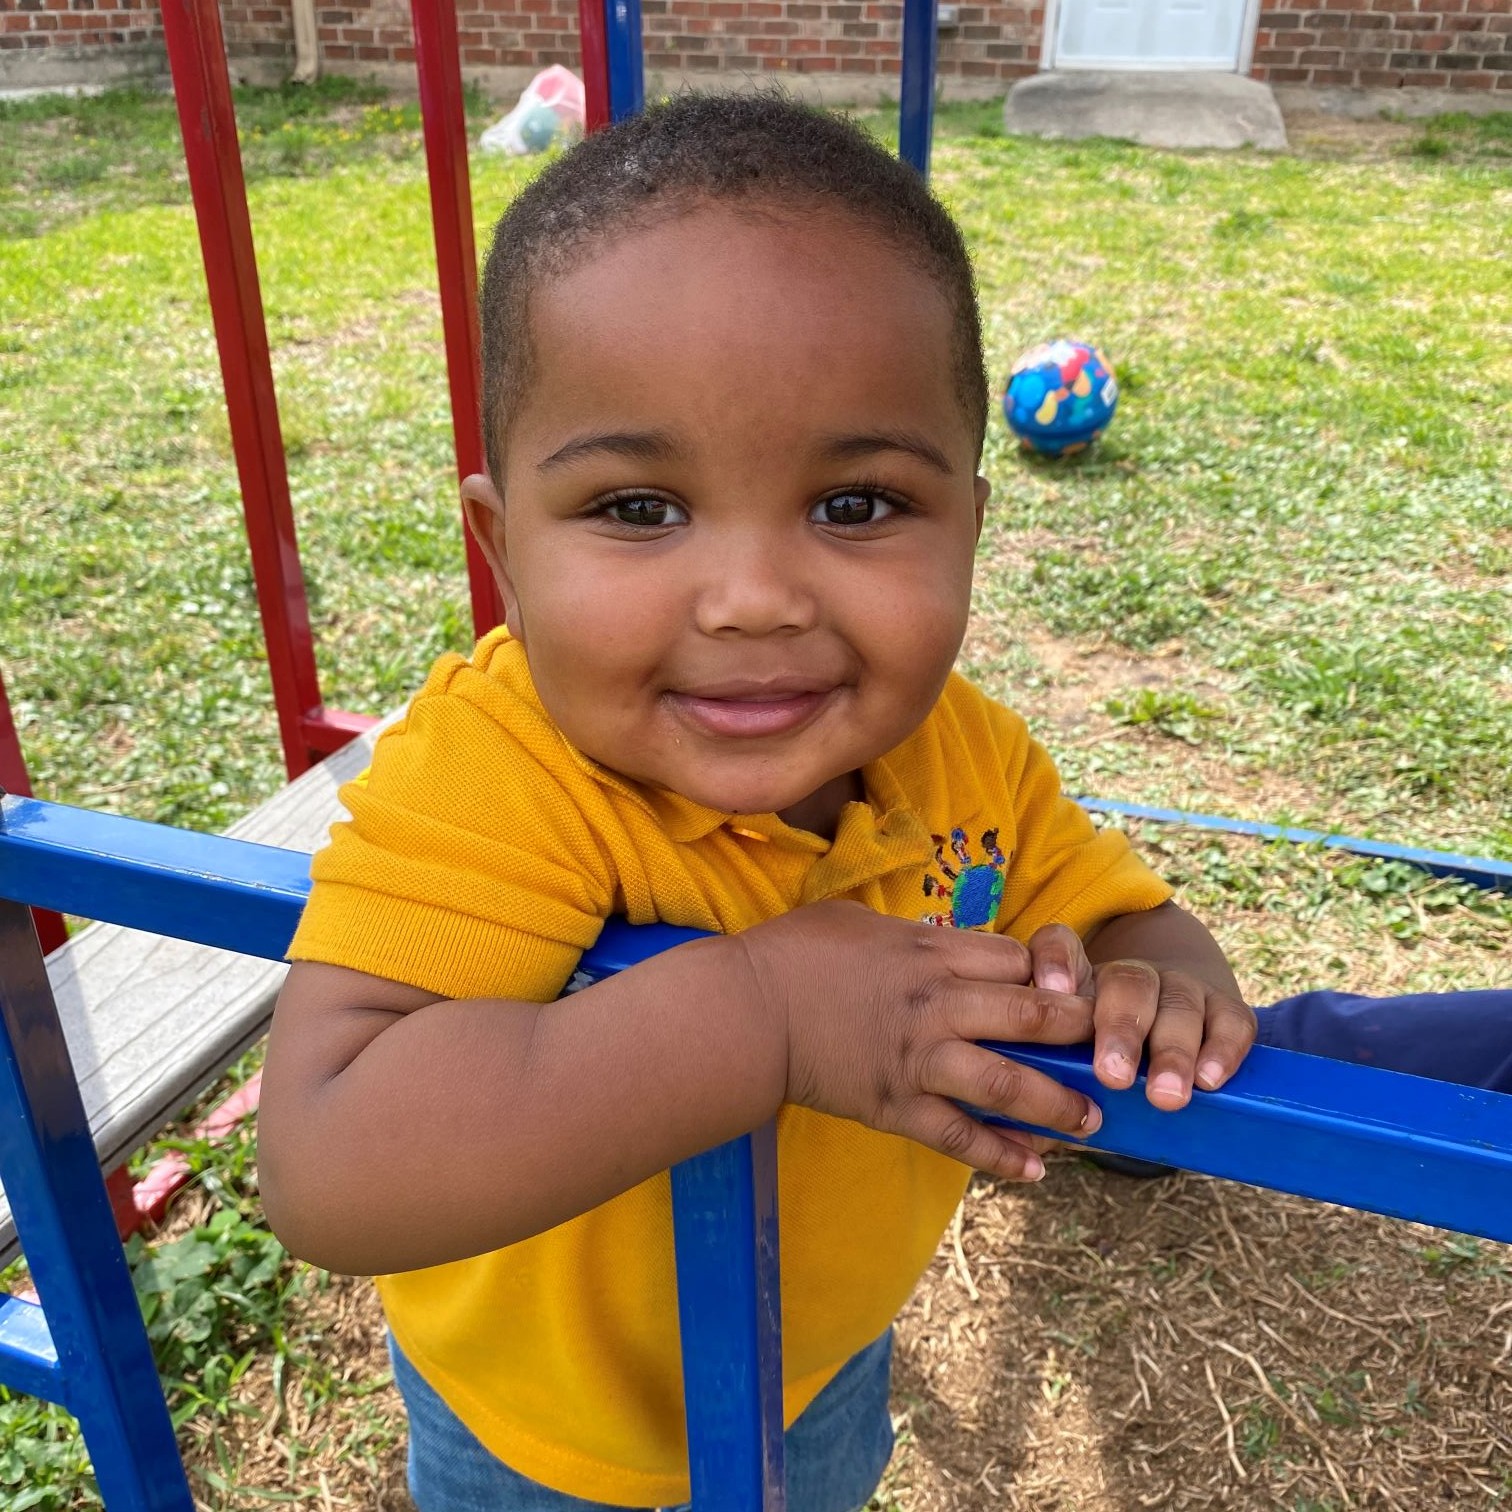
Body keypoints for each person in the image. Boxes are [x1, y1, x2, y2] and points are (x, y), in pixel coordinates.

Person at [256, 93, 1501, 1512]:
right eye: (637, 509)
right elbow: (326, 1160)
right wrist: (766, 1015)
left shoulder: (969, 758)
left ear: (970, 524)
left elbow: (1126, 921)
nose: (751, 602)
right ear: (504, 546)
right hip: (541, 1434)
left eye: (854, 506)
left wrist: (1167, 982)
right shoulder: (506, 766)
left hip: (823, 1362)